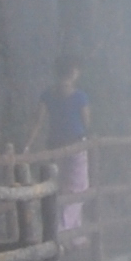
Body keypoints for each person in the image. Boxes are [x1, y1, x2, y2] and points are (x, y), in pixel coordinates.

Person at [38, 59, 90, 248]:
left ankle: (74, 233)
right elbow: (86, 123)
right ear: (73, 72)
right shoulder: (79, 97)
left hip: (54, 145)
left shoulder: (48, 95)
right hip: (75, 145)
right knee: (78, 187)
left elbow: (38, 122)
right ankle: (62, 231)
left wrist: (27, 145)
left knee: (59, 187)